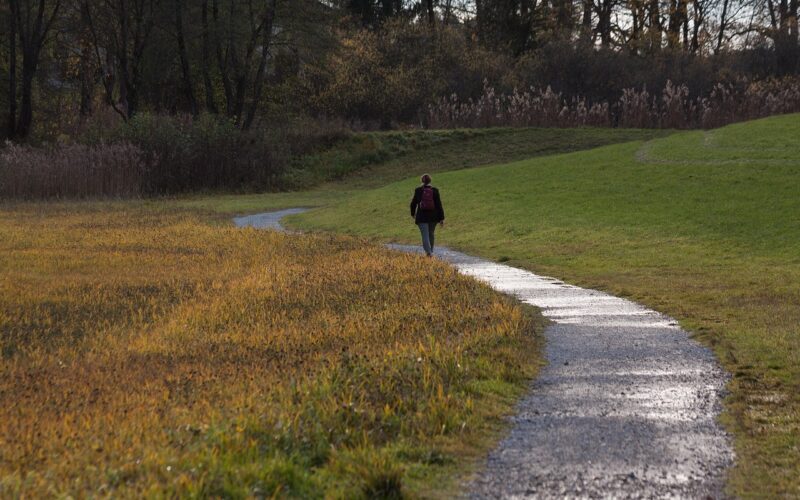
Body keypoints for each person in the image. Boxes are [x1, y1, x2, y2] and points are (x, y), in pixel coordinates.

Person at [410, 174, 445, 257]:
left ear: (422, 181)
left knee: (425, 235)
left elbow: (413, 203)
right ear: (430, 181)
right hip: (433, 217)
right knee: (431, 234)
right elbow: (439, 205)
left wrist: (413, 214)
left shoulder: (418, 190)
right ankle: (431, 251)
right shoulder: (435, 190)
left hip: (421, 217)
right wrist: (441, 218)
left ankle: (428, 253)